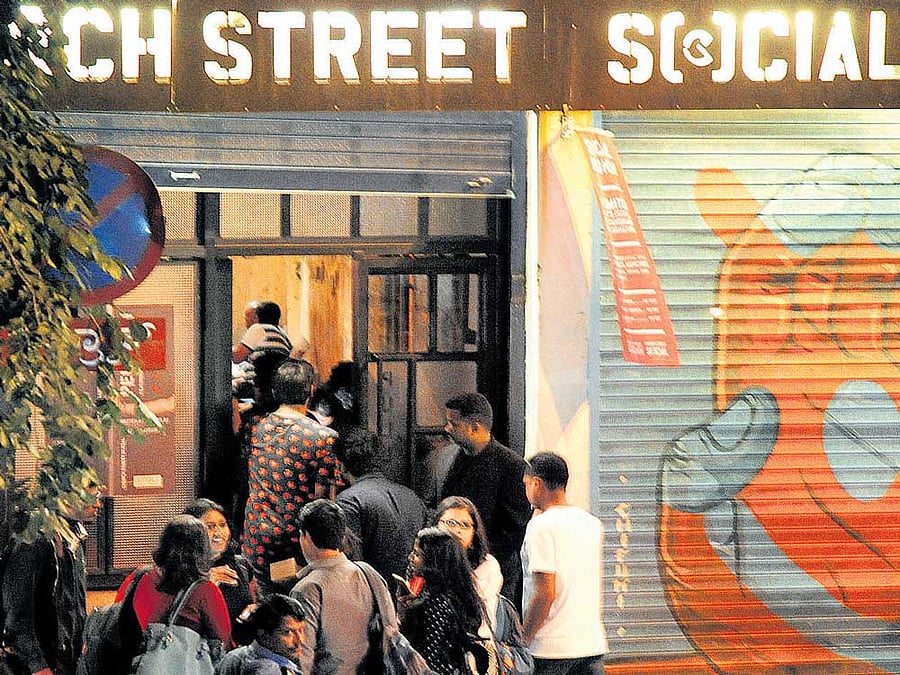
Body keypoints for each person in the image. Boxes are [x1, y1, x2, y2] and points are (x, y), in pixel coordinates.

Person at [241, 360, 342, 594]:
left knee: (266, 607)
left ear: (275, 391)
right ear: (312, 390)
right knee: (297, 605)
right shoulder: (324, 437)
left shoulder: (255, 427)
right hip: (297, 543)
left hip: (257, 535)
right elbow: (324, 501)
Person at [440, 393, 531, 607]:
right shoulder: (452, 459)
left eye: (453, 424)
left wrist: (479, 554)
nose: (447, 428)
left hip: (494, 573)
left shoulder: (512, 466)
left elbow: (515, 529)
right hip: (454, 567)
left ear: (475, 427)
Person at [521, 452, 607, 674]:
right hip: (591, 644)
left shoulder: (541, 527)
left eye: (527, 484)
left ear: (537, 484)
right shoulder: (591, 523)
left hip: (550, 650)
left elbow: (545, 593)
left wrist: (523, 639)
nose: (526, 491)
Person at [290, 499, 389, 675]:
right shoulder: (367, 572)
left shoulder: (307, 589)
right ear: (342, 537)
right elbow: (391, 630)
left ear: (306, 537)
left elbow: (301, 656)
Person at [115, 515, 232, 651]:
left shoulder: (143, 576)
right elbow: (223, 640)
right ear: (202, 549)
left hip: (140, 660)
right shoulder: (205, 590)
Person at [334, 426, 429, 591]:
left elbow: (351, 563)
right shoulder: (411, 496)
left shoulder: (349, 501)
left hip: (374, 596)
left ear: (341, 465)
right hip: (412, 594)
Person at [0, 512, 93, 675]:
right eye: (91, 487)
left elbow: (74, 601)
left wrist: (81, 638)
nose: (98, 502)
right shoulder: (32, 540)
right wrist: (37, 664)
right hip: (36, 665)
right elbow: (16, 611)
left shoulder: (73, 537)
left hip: (62, 660)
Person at [398, 527, 487, 675]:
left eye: (417, 554)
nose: (410, 558)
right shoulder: (456, 595)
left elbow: (431, 661)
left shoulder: (434, 605)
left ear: (433, 563)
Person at [183, 499, 257, 645]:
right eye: (209, 527)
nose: (218, 533)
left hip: (240, 649)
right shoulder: (184, 569)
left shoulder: (241, 565)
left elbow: (254, 601)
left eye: (222, 525)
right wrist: (205, 584)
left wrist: (253, 611)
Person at [433, 496, 502, 635]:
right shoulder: (422, 558)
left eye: (465, 525)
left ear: (474, 533)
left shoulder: (487, 565)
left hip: (475, 641)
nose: (457, 530)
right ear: (436, 525)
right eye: (450, 522)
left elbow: (474, 614)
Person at [215, 594, 305, 675]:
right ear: (264, 635)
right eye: (288, 633)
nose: (300, 640)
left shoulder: (233, 656)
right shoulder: (267, 669)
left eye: (301, 630)